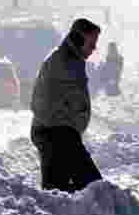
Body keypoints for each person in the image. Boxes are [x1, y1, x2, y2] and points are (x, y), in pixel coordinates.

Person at [30, 18, 103, 194]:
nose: (94, 48)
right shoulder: (63, 62)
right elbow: (41, 101)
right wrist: (65, 129)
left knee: (60, 191)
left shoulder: (69, 60)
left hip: (58, 132)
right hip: (56, 133)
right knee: (92, 189)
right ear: (78, 39)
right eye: (91, 43)